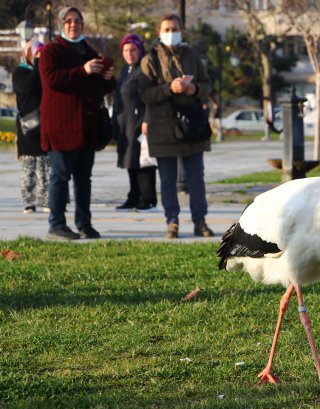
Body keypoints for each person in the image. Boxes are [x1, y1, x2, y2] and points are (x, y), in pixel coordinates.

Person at [39, 6, 116, 240]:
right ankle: (57, 224)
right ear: (62, 25)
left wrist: (107, 78)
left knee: (84, 180)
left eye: (78, 21)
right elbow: (51, 79)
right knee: (60, 178)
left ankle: (84, 223)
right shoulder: (52, 51)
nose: (74, 25)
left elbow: (100, 88)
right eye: (69, 21)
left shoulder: (87, 50)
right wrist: (82, 70)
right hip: (61, 128)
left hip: (86, 129)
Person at [138, 12, 214, 239]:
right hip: (163, 127)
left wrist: (195, 89)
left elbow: (208, 84)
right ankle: (172, 222)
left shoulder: (192, 54)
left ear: (182, 30)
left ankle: (200, 221)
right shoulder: (149, 59)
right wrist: (169, 88)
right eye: (167, 30)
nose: (172, 33)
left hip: (192, 126)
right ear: (159, 33)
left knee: (196, 178)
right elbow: (144, 93)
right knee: (168, 180)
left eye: (175, 29)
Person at [113, 33, 157, 212]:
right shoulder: (126, 70)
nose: (129, 53)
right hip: (125, 123)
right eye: (125, 50)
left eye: (133, 49)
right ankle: (134, 196)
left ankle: (148, 199)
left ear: (140, 51)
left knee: (143, 161)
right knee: (130, 160)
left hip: (140, 122)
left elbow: (149, 97)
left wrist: (147, 119)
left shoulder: (144, 69)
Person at [12, 39, 49, 214]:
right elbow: (28, 88)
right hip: (28, 125)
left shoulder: (43, 72)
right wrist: (36, 66)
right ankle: (29, 200)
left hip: (44, 124)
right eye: (33, 52)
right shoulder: (20, 72)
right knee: (29, 166)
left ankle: (46, 199)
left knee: (44, 164)